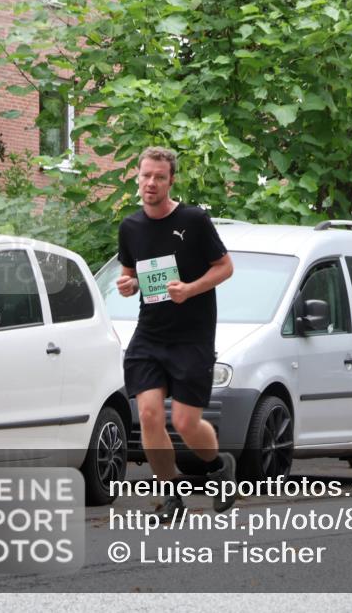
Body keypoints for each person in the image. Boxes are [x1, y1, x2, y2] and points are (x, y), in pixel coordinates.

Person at [116, 146, 236, 518]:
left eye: (159, 177)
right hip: (150, 334)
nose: (151, 183)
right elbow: (129, 273)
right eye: (146, 175)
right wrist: (127, 284)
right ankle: (171, 496)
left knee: (185, 422)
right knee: (150, 415)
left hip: (192, 337)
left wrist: (189, 289)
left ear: (171, 181)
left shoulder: (194, 220)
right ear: (137, 176)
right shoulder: (130, 227)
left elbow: (225, 267)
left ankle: (219, 466)